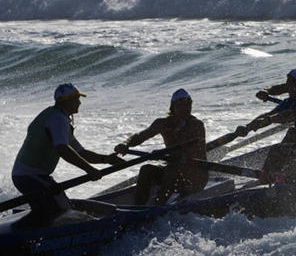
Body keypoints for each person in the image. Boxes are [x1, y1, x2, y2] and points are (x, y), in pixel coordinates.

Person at [11, 83, 123, 228]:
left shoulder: (56, 115)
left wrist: (106, 159)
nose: (80, 102)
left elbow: (80, 152)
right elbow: (63, 150)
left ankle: (28, 230)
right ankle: (26, 236)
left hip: (29, 176)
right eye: (77, 98)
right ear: (67, 101)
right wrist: (89, 170)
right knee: (62, 209)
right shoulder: (58, 119)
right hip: (30, 176)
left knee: (53, 207)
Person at [114, 89, 208, 205]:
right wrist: (125, 144)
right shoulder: (162, 123)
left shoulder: (196, 125)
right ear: (173, 107)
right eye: (182, 104)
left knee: (172, 169)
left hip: (196, 176)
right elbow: (140, 136)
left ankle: (158, 207)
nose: (186, 107)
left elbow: (194, 153)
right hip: (175, 171)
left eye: (188, 104)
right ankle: (138, 207)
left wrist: (163, 153)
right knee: (146, 169)